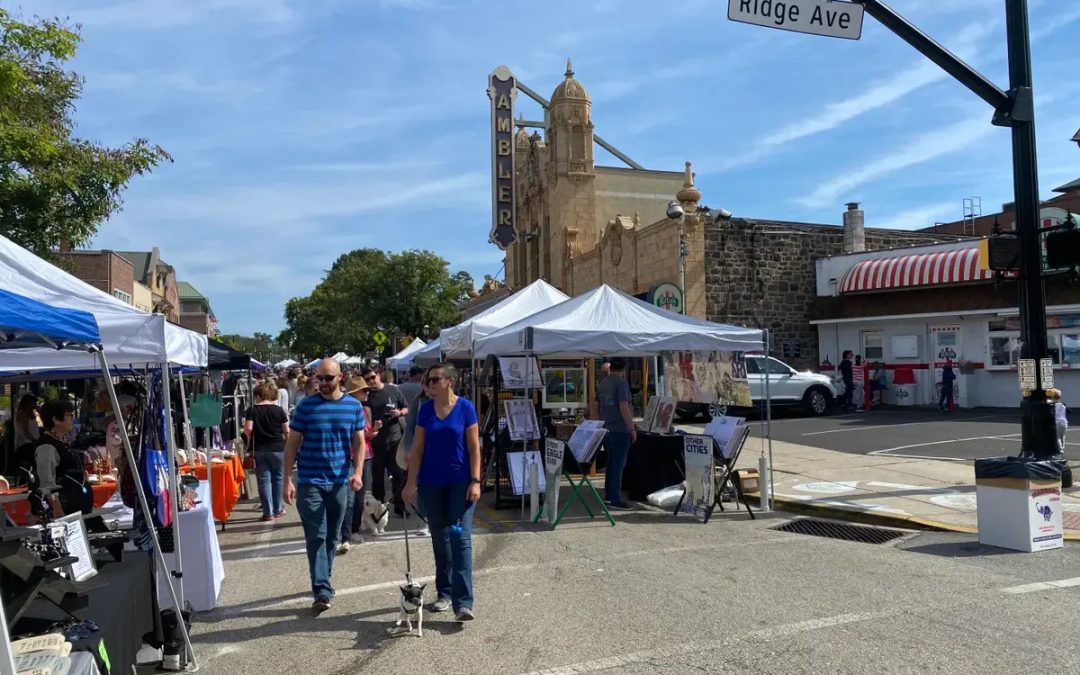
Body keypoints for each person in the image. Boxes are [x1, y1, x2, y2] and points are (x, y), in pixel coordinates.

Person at [283, 359, 366, 614]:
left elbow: (359, 443)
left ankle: (324, 580)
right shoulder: (306, 407)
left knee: (332, 536)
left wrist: (358, 473)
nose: (324, 383)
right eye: (320, 378)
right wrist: (286, 479)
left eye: (329, 378)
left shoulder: (353, 407)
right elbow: (292, 444)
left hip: (340, 481)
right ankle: (321, 588)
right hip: (310, 481)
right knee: (316, 536)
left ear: (341, 377)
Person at [402, 363, 481, 622]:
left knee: (461, 541)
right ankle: (444, 593)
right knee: (440, 540)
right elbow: (418, 450)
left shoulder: (466, 407)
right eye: (428, 380)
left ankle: (463, 603)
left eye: (435, 380)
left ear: (450, 381)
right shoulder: (426, 410)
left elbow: (473, 448)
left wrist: (475, 480)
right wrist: (410, 483)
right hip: (431, 484)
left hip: (460, 484)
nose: (430, 384)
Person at [338, 374, 383, 553]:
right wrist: (371, 434)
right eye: (363, 390)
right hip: (351, 456)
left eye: (367, 390)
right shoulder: (346, 409)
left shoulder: (366, 409)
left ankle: (353, 529)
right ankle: (348, 532)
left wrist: (374, 431)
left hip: (367, 456)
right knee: (350, 498)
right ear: (353, 393)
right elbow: (355, 436)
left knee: (359, 496)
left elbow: (365, 435)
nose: (366, 393)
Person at [362, 366, 409, 516]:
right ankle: (379, 508)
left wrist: (400, 413)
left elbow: (406, 407)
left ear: (378, 375)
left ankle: (399, 506)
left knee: (398, 474)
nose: (370, 381)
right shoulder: (366, 396)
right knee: (377, 477)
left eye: (372, 377)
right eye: (367, 379)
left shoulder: (392, 390)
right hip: (376, 442)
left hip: (394, 439)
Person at [34, 399, 92, 516]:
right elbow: (47, 483)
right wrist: (57, 510)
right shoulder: (46, 446)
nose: (72, 419)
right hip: (65, 512)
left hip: (77, 508)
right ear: (56, 419)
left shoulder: (59, 441)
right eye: (69, 415)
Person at [245, 381, 289, 522]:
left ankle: (267, 512)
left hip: (259, 448)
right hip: (277, 448)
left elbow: (248, 429)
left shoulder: (252, 410)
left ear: (258, 395)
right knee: (278, 478)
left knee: (264, 480)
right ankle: (279, 509)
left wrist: (251, 436)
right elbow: (286, 430)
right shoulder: (279, 410)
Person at [595, 358, 635, 510]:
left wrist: (600, 421)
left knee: (611, 463)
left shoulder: (603, 383)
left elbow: (596, 405)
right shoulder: (621, 383)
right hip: (619, 428)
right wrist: (631, 428)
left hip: (607, 427)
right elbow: (624, 406)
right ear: (623, 370)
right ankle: (615, 498)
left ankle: (609, 495)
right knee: (618, 464)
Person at [1051, 389, 1068, 453]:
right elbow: (1068, 411)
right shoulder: (1063, 405)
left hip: (1057, 423)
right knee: (1062, 435)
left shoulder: (1053, 406)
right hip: (1064, 423)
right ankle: (1063, 447)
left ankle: (1060, 449)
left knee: (1057, 437)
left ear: (1052, 397)